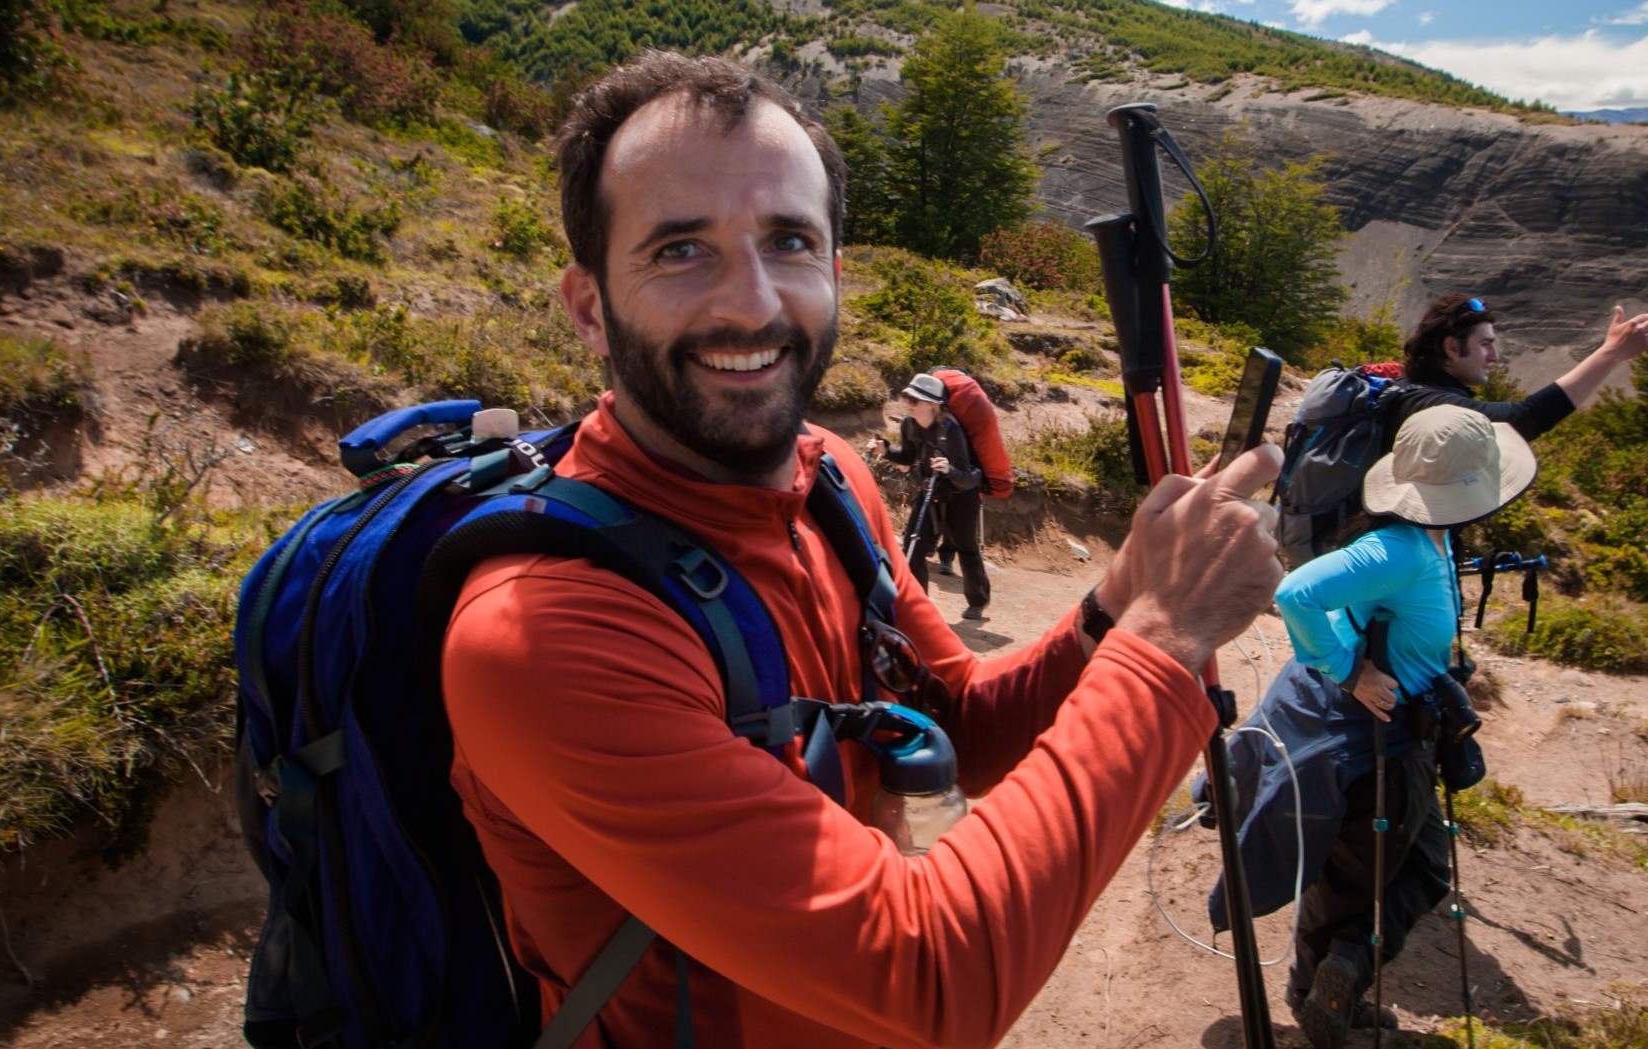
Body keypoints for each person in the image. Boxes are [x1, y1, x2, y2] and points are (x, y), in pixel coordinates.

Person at [438, 52, 1285, 1048]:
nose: (750, 303)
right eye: (679, 249)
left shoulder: (828, 477)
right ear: (588, 306)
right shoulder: (545, 633)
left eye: (788, 240)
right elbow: (932, 978)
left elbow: (961, 725)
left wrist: (1111, 606)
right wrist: (1163, 638)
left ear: (833, 272)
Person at [1271, 405, 1537, 1044]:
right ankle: (1322, 995)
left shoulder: (1428, 543)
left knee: (1419, 870)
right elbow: (1296, 594)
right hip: (1382, 743)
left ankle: (1343, 974)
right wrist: (1347, 670)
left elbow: (1345, 608)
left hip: (1406, 733)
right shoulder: (1400, 549)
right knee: (1358, 879)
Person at [1383, 291, 1648, 441]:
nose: (1494, 356)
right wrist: (1610, 353)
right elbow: (1524, 419)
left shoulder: (1410, 390)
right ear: (1452, 348)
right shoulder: (1431, 404)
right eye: (1485, 344)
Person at [872, 373, 991, 619]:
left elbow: (968, 475)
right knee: (913, 546)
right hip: (929, 491)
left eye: (914, 400)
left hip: (961, 495)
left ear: (933, 404)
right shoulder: (909, 424)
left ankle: (978, 601)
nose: (908, 403)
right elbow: (907, 456)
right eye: (908, 398)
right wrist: (886, 450)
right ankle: (918, 609)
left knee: (966, 547)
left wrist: (949, 469)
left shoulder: (951, 429)